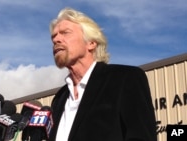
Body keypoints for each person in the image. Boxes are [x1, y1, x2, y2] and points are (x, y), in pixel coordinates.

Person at [48, 7, 157, 141]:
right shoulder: (59, 99)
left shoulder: (126, 79)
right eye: (54, 36)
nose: (56, 39)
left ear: (91, 43)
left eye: (65, 33)